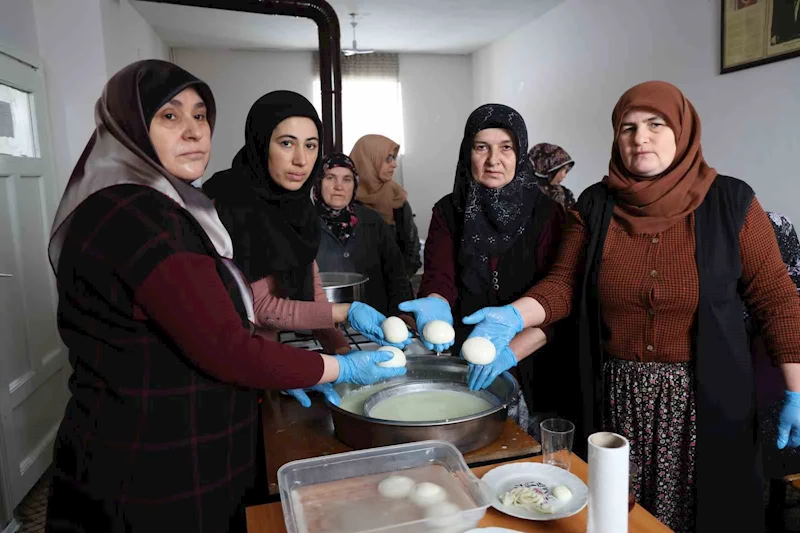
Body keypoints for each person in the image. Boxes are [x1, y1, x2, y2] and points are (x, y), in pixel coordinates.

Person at [44, 60, 405, 533]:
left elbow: (247, 307)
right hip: (149, 461)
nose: (193, 132)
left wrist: (338, 350)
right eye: (170, 117)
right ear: (129, 126)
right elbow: (230, 339)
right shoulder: (135, 215)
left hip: (198, 435)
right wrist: (337, 364)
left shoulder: (175, 205)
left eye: (200, 116)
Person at [459, 81, 800, 532]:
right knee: (620, 515)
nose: (640, 138)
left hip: (705, 401)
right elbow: (565, 282)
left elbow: (776, 298)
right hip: (618, 396)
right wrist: (516, 314)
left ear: (682, 130)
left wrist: (796, 389)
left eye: (656, 125)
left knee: (705, 514)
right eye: (628, 127)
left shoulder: (731, 202)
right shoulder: (597, 204)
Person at [203, 91, 410, 408]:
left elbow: (310, 292)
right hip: (225, 373)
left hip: (265, 364)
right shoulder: (230, 203)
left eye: (311, 145)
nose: (301, 159)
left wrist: (343, 352)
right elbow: (261, 308)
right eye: (287, 143)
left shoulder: (294, 209)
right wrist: (347, 313)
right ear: (261, 143)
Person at [400, 104, 566, 437]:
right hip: (468, 356)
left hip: (537, 359)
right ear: (467, 153)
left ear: (520, 153)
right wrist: (435, 305)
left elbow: (557, 298)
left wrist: (507, 354)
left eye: (506, 147)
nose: (494, 160)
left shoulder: (548, 214)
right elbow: (439, 278)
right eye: (482, 147)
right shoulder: (449, 212)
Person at [313, 153, 414, 317]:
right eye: (330, 178)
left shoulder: (372, 220)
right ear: (318, 182)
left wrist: (402, 316)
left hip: (375, 319)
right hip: (320, 323)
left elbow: (396, 275)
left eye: (347, 179)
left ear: (355, 184)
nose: (339, 186)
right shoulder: (303, 224)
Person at [350, 134, 422, 278]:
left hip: (393, 288)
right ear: (368, 160)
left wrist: (396, 282)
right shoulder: (345, 200)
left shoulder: (397, 198)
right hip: (354, 286)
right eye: (388, 158)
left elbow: (412, 252)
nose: (394, 164)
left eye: (394, 158)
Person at [529, 142, 576, 210]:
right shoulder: (523, 193)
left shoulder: (566, 195)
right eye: (561, 170)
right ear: (546, 166)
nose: (564, 175)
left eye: (566, 170)